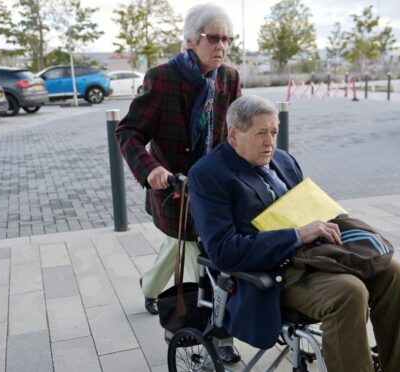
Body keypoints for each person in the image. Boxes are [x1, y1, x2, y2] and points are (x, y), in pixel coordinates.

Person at [188, 95, 400, 372]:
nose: (270, 142)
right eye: (261, 133)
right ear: (234, 134)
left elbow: (309, 209)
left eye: (274, 131)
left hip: (313, 257)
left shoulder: (283, 160)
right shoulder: (208, 175)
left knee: (391, 272)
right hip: (269, 276)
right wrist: (296, 236)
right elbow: (224, 251)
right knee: (349, 292)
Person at [115, 3, 242, 364]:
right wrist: (151, 168)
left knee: (192, 248)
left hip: (217, 187)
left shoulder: (229, 78)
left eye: (227, 39)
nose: (222, 46)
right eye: (214, 38)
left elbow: (235, 129)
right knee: (199, 253)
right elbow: (129, 131)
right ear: (191, 40)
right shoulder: (163, 78)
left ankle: (153, 287)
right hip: (177, 188)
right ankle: (220, 335)